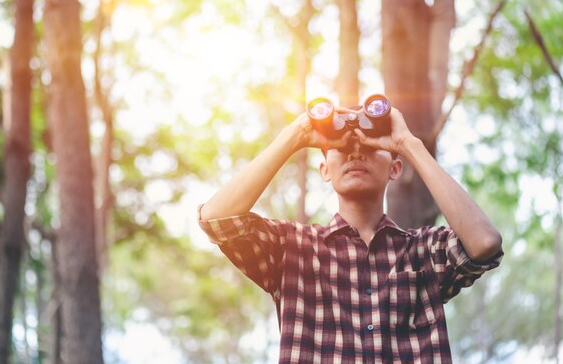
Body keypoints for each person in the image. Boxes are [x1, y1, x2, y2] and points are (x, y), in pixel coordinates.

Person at [198, 102, 503, 363]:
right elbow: (217, 218)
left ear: (395, 168)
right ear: (325, 171)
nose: (356, 154)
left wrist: (409, 144)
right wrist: (296, 134)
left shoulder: (424, 252)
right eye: (342, 148)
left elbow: (484, 243)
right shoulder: (291, 249)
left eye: (370, 146)